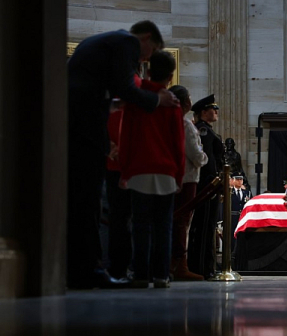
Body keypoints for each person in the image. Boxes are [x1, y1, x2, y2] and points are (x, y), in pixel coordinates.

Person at [67, 20, 179, 289]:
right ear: (147, 38)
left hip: (78, 120)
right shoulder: (127, 42)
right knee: (89, 201)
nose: (144, 60)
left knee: (87, 202)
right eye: (148, 52)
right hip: (85, 126)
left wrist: (116, 104)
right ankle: (90, 270)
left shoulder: (109, 43)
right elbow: (126, 87)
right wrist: (157, 100)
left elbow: (112, 92)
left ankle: (84, 269)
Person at [118, 50, 185, 288]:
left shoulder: (137, 99)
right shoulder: (173, 104)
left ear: (147, 70)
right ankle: (160, 275)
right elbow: (178, 143)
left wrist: (124, 170)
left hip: (139, 169)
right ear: (170, 76)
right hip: (166, 170)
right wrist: (179, 174)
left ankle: (139, 274)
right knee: (163, 226)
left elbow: (126, 137)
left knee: (140, 225)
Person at [168, 85, 208, 281]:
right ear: (185, 102)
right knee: (182, 222)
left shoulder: (167, 121)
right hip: (187, 178)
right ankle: (179, 266)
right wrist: (205, 158)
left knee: (173, 221)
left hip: (172, 177)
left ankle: (171, 264)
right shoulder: (185, 125)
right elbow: (196, 155)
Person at [188, 94, 225, 279]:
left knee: (208, 226)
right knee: (204, 227)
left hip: (211, 185)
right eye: (213, 109)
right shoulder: (203, 130)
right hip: (207, 185)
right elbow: (208, 160)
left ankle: (206, 266)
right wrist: (213, 183)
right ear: (204, 112)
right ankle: (202, 268)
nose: (216, 111)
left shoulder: (208, 130)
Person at [230, 172, 251, 253]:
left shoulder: (246, 192)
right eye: (237, 179)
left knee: (242, 235)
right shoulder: (230, 192)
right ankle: (232, 254)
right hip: (233, 217)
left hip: (242, 217)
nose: (239, 181)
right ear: (233, 180)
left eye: (241, 179)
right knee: (232, 237)